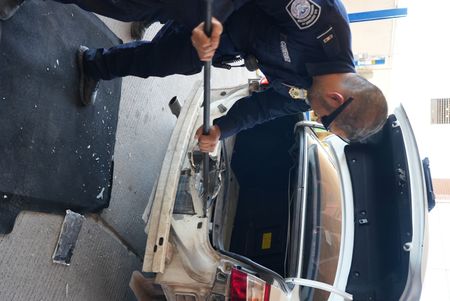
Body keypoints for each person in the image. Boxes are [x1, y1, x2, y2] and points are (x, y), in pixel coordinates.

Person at [1, 0, 388, 150]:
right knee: (131, 4)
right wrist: (214, 19)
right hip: (220, 6)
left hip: (226, 39)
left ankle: (94, 64)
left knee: (164, 59)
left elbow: (266, 108)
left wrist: (222, 130)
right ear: (337, 100)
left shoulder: (312, 92)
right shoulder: (324, 23)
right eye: (324, 118)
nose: (315, 116)